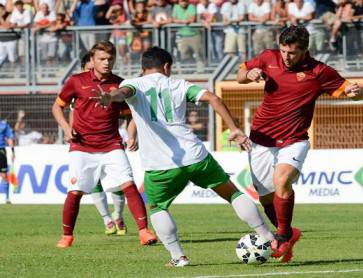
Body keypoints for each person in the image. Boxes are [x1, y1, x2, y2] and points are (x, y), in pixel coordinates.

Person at [91, 46, 275, 267]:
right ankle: (270, 238)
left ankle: (178, 257)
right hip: (196, 156)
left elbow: (124, 93)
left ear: (143, 68)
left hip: (160, 165)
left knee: (158, 207)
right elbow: (214, 99)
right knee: (232, 193)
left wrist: (110, 97)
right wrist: (233, 128)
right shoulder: (179, 84)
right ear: (167, 66)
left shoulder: (134, 83)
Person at [237, 25, 362, 263]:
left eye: (292, 53)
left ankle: (282, 235)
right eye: (283, 51)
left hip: (294, 140)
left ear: (305, 50)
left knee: (281, 181)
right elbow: (240, 74)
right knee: (265, 197)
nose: (286, 57)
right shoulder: (268, 57)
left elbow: (349, 89)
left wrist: (356, 92)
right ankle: (290, 233)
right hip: (261, 138)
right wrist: (249, 75)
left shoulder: (319, 71)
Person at [52, 41, 157, 248]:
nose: (106, 63)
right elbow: (57, 107)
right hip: (81, 147)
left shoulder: (120, 85)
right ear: (92, 60)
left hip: (111, 145)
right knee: (75, 191)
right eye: (102, 59)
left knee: (128, 184)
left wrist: (132, 133)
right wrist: (66, 128)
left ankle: (144, 232)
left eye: (110, 59)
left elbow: (131, 114)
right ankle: (67, 236)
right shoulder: (76, 81)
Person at [69, 52, 128, 236]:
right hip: (84, 143)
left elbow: (127, 112)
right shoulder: (78, 87)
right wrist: (70, 130)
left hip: (109, 141)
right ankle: (107, 219)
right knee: (94, 183)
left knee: (118, 183)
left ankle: (118, 215)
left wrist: (128, 133)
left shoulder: (113, 87)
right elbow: (72, 112)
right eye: (87, 69)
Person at [0, 118, 15, 204]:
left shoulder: (4, 125)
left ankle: (7, 198)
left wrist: (13, 151)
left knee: (4, 175)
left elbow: (9, 138)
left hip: (1, 151)